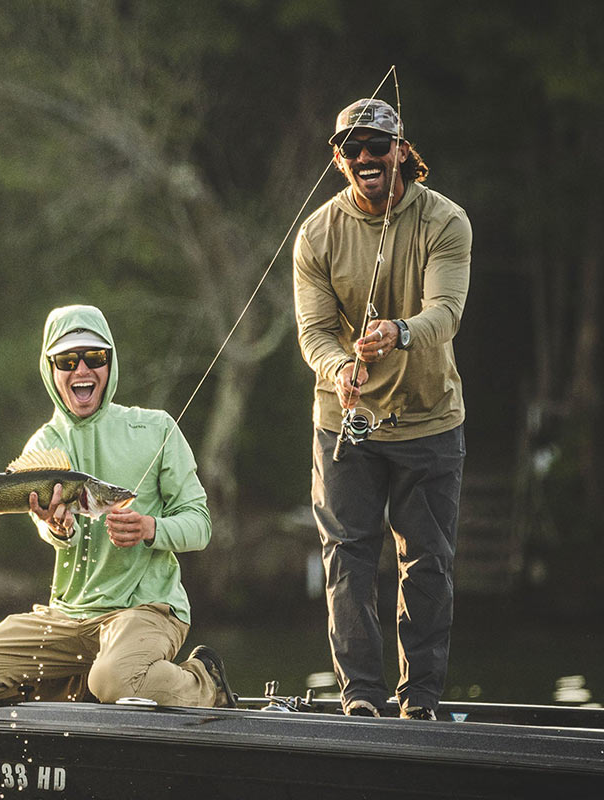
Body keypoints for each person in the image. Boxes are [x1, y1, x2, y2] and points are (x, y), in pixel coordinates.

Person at [0, 303, 236, 708]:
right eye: (67, 360)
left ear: (110, 363)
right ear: (51, 370)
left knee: (115, 679)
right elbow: (50, 529)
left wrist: (151, 528)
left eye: (94, 357)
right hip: (67, 617)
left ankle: (205, 681)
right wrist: (58, 529)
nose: (82, 369)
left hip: (147, 609)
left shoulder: (156, 428)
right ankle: (87, 687)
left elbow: (200, 526)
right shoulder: (42, 444)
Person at [293, 98, 472, 720]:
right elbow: (315, 333)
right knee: (348, 561)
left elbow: (446, 313)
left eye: (377, 145)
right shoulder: (317, 235)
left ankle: (419, 701)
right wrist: (339, 367)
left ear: (401, 150)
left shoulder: (445, 221)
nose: (365, 157)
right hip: (345, 423)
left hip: (429, 419)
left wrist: (398, 332)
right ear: (338, 159)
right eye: (352, 148)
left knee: (427, 564)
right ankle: (361, 699)